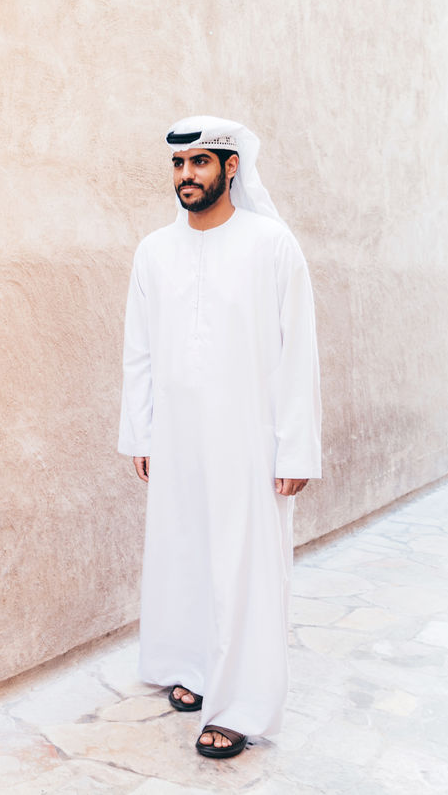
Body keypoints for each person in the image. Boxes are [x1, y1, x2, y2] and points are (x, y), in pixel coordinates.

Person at [117, 116, 322, 759]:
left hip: (249, 440)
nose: (187, 176)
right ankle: (194, 670)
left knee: (245, 568)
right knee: (183, 554)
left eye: (200, 164)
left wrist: (295, 448)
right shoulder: (153, 250)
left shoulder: (272, 244)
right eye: (179, 166)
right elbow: (139, 351)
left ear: (231, 168)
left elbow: (298, 355)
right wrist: (142, 433)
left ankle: (239, 707)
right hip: (178, 437)